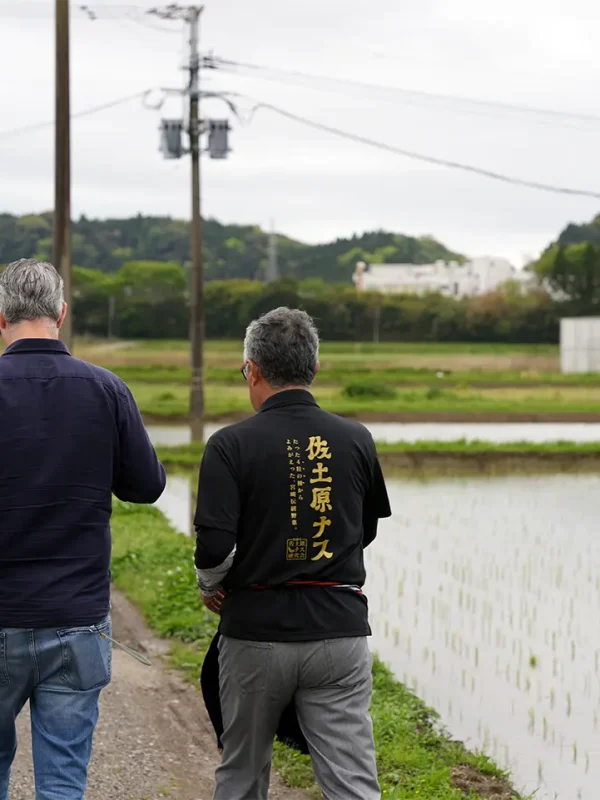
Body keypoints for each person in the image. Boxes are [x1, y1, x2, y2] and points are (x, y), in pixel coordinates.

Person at [193, 306, 391, 800]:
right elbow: (361, 530)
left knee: (242, 774)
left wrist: (213, 586)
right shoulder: (356, 438)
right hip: (339, 633)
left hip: (255, 635)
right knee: (352, 781)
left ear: (252, 369)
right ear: (314, 370)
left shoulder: (229, 445)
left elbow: (214, 547)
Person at [0, 259, 166, 800]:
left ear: (1, 316)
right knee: (63, 780)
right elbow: (146, 486)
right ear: (62, 314)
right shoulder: (106, 389)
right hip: (77, 617)